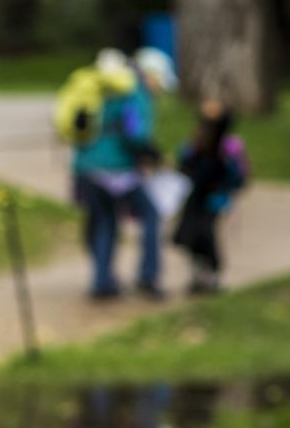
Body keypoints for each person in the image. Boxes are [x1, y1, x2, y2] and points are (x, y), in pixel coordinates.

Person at [70, 46, 176, 300]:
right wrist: (154, 156)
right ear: (151, 75)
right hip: (116, 169)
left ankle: (102, 282)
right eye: (160, 81)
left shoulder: (105, 86)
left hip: (85, 166)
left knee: (106, 221)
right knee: (150, 214)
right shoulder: (134, 91)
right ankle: (148, 277)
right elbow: (134, 133)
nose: (159, 89)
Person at [173, 100, 249, 294]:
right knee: (191, 235)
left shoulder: (229, 147)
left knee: (206, 233)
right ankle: (198, 275)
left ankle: (212, 275)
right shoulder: (195, 144)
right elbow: (183, 166)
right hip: (196, 196)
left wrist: (227, 190)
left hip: (215, 197)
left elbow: (239, 175)